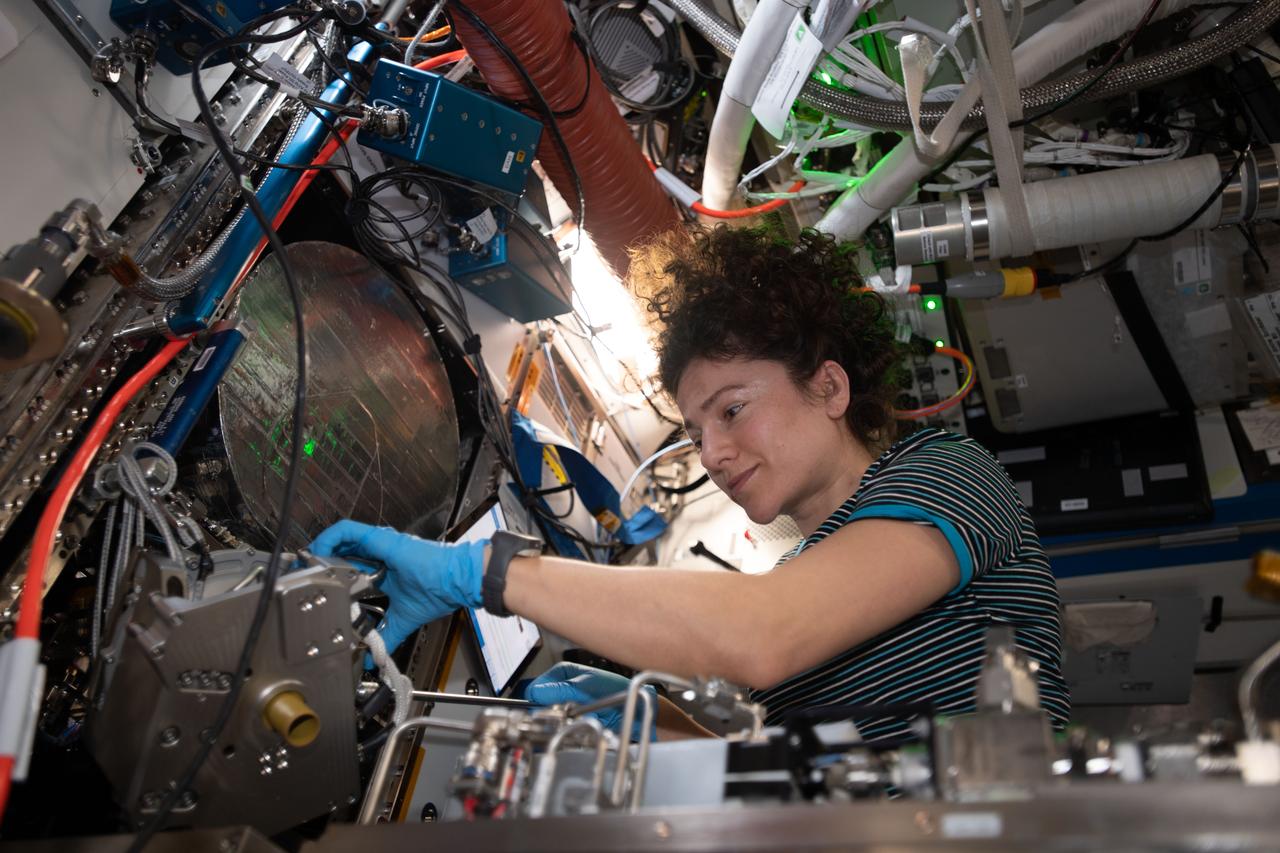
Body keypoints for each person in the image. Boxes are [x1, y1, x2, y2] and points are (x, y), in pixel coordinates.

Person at [310, 225, 1070, 743]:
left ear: (830, 388)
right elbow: (810, 771)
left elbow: (762, 635)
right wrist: (655, 726)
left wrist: (478, 571)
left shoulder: (948, 473)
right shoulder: (809, 579)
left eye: (733, 409)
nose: (712, 451)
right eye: (697, 431)